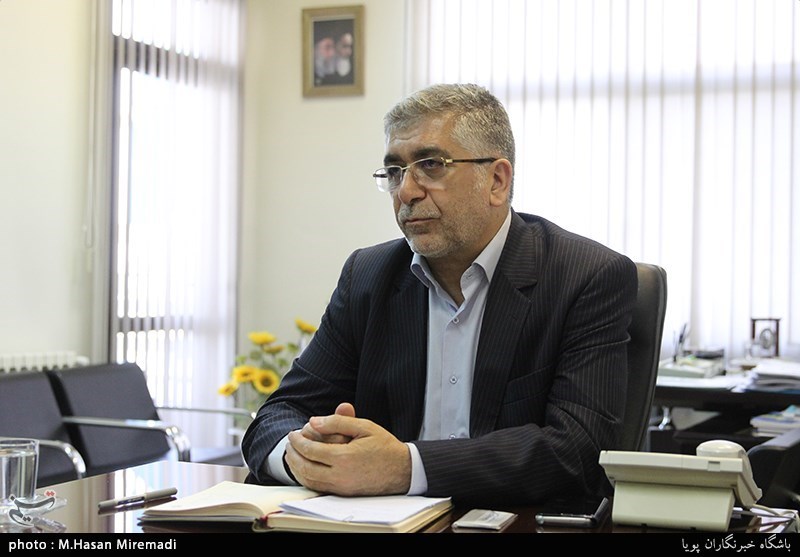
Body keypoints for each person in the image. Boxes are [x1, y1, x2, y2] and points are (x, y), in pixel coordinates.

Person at [241, 83, 638, 506]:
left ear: (497, 181)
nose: (406, 192)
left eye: (431, 165)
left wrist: (404, 467)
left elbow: (578, 449)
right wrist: (305, 457)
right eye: (395, 172)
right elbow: (277, 415)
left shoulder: (585, 276)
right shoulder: (368, 276)